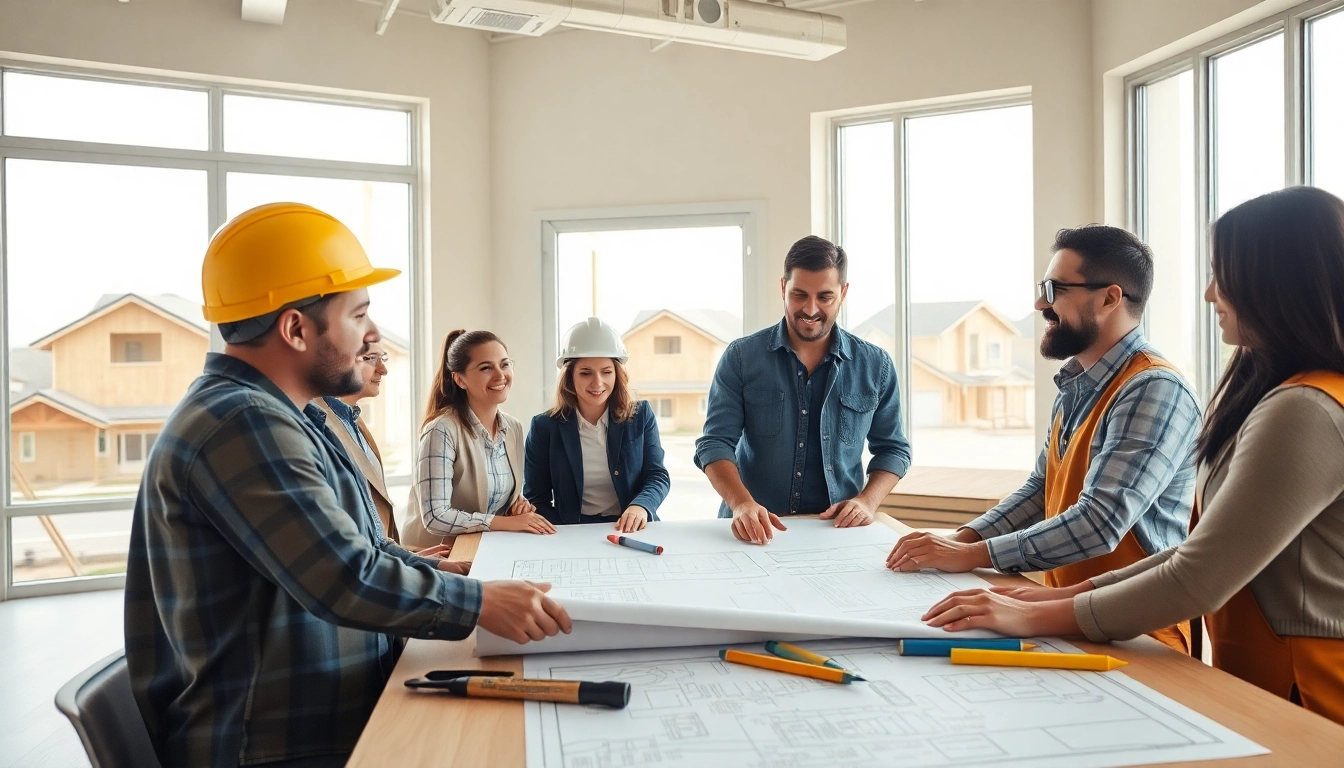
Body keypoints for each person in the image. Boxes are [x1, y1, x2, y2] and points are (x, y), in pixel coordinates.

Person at [124, 203, 570, 768]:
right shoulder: (244, 423)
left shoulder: (293, 417)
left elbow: (360, 542)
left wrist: (448, 574)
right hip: (276, 746)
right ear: (295, 328)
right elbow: (344, 576)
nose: (373, 336)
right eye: (359, 316)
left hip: (328, 712)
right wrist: (480, 602)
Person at [921, 186, 1344, 725]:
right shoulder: (1283, 395)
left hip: (1307, 687)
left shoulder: (1302, 407)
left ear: (1276, 281)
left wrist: (1030, 606)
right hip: (1260, 674)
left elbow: (1195, 572)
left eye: (1223, 274)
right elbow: (1199, 552)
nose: (1209, 294)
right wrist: (1046, 599)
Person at [887, 225, 1200, 654]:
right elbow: (1040, 490)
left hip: (1140, 634)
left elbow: (1099, 523)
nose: (1040, 304)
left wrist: (974, 556)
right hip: (1065, 617)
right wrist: (963, 539)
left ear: (1109, 299)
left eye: (1054, 289)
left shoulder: (1155, 389)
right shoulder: (1077, 384)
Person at [694, 235, 911, 545]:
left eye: (825, 297)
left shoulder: (876, 365)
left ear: (843, 293)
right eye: (799, 295)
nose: (811, 309)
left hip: (839, 534)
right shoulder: (741, 358)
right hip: (755, 534)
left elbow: (894, 449)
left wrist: (867, 502)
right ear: (783, 287)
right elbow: (715, 444)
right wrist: (741, 504)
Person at [401, 329, 556, 550]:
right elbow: (435, 517)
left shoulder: (513, 428)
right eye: (486, 368)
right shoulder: (441, 430)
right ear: (460, 379)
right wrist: (507, 523)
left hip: (483, 547)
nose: (500, 375)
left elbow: (499, 497)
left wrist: (517, 506)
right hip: (436, 556)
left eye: (504, 364)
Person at [524, 317, 670, 531]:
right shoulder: (544, 427)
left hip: (632, 529)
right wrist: (566, 534)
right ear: (570, 377)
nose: (598, 382)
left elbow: (657, 476)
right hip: (571, 532)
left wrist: (640, 506)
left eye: (606, 372)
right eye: (586, 373)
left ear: (617, 374)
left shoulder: (641, 416)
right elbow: (536, 497)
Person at [313, 341, 449, 554]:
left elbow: (375, 530)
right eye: (370, 359)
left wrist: (409, 558)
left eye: (383, 358)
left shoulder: (354, 421)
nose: (383, 370)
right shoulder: (320, 426)